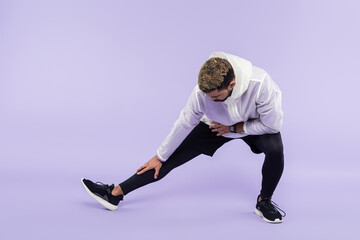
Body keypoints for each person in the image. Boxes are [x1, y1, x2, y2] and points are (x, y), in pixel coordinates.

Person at [81, 52, 286, 223]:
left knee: (275, 149)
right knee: (166, 160)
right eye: (207, 96)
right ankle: (115, 194)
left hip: (252, 125)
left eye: (214, 97)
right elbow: (184, 123)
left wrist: (236, 127)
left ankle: (264, 201)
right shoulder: (201, 93)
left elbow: (272, 124)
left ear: (231, 84)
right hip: (214, 127)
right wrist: (160, 156)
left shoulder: (260, 84)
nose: (209, 100)